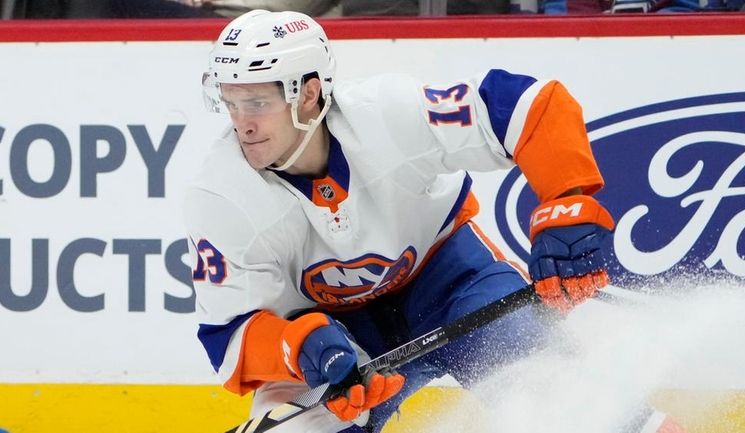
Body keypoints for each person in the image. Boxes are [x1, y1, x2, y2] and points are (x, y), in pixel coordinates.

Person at [184, 9, 685, 433]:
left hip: (452, 283)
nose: (240, 122)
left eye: (257, 102)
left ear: (309, 94)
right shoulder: (219, 194)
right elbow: (230, 334)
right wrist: (303, 346)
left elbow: (532, 106)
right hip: (336, 335)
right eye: (230, 101)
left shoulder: (387, 115)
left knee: (558, 392)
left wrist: (567, 200)